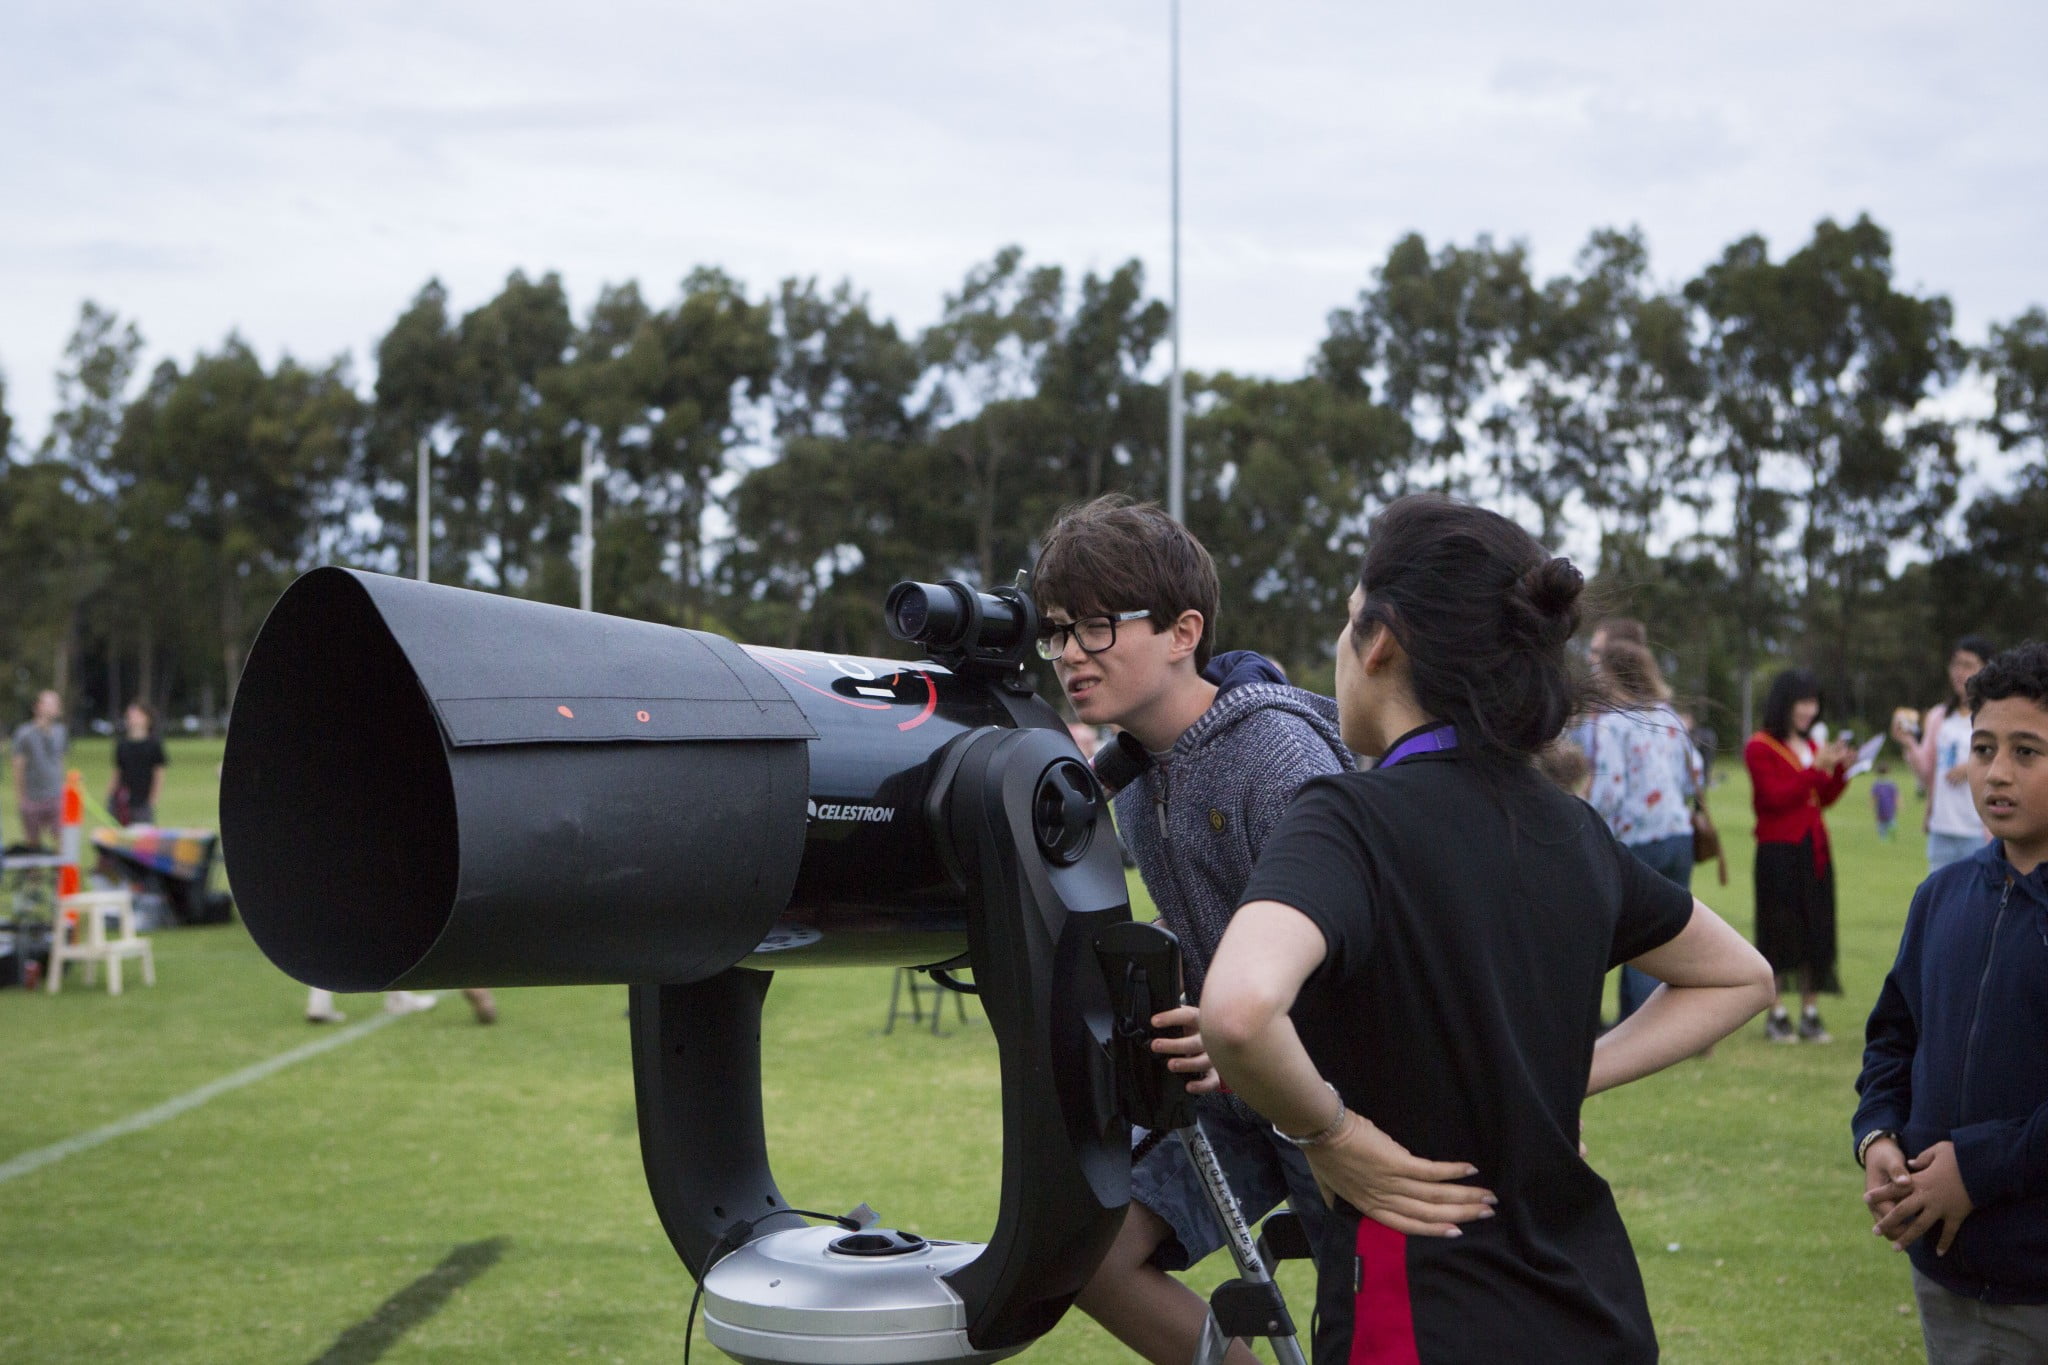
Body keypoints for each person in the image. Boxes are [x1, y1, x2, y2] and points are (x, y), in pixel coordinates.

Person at [1198, 494, 1774, 1364]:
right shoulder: (1569, 826)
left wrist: (1330, 1134)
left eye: (1348, 621)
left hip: (1424, 1310)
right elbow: (1742, 976)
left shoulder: (1348, 818)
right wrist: (1559, 1077)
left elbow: (1238, 1008)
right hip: (1596, 1310)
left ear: (1381, 640)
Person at [1030, 494, 1358, 1365]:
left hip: (1342, 1093)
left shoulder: (1277, 757)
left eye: (1097, 626)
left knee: (1356, 1337)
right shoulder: (1134, 782)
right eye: (1058, 630)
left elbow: (1369, 948)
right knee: (1095, 1257)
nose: (1069, 652)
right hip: (1238, 1091)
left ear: (1183, 631)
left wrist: (1247, 1024)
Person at [1853, 641, 2048, 1361]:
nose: (1994, 772)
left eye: (2027, 751)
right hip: (1945, 1273)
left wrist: (1977, 1167)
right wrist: (1877, 1134)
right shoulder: (1940, 896)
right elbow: (1892, 1039)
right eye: (1985, 747)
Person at [1583, 640, 1705, 1022]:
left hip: (1636, 839)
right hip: (1678, 836)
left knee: (1636, 939)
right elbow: (1694, 776)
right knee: (1669, 932)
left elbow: (1611, 790)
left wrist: (1586, 815)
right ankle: (1674, 1020)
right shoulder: (1668, 716)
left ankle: (1641, 1027)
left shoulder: (1613, 724)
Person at [1746, 669, 1855, 1044]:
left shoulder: (1811, 747)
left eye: (1814, 703)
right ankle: (1776, 1013)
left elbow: (1820, 797)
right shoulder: (1760, 746)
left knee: (1817, 928)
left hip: (1814, 850)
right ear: (1785, 704)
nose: (1810, 711)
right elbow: (1774, 799)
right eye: (1803, 702)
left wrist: (1841, 770)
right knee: (1779, 929)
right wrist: (1815, 770)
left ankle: (1809, 1011)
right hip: (1778, 852)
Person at [1891, 636, 1996, 872]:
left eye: (1968, 665)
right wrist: (1909, 744)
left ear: (1986, 669)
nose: (1959, 672)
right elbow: (1926, 773)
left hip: (1978, 832)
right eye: (1956, 664)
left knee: (1978, 905)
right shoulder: (1939, 717)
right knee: (1941, 905)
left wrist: (1971, 768)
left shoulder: (1993, 716)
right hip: (1942, 829)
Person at [11, 689, 68, 850]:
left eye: (57, 703)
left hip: (56, 797)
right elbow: (18, 767)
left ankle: (61, 874)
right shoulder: (24, 734)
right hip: (33, 798)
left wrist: (63, 786)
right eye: (50, 702)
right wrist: (22, 799)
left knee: (61, 838)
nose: (56, 706)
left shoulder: (61, 732)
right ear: (38, 707)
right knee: (32, 842)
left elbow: (61, 761)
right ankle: (33, 874)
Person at [111, 701, 167, 825]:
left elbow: (159, 773)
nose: (133, 718)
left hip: (143, 800)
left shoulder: (154, 745)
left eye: (137, 715)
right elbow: (117, 772)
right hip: (124, 799)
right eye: (130, 715)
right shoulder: (122, 745)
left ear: (147, 719)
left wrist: (153, 799)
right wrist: (111, 795)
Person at [1872, 764, 1900, 841]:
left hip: (1880, 808)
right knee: (1891, 821)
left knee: (1881, 824)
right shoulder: (1891, 783)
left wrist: (1872, 805)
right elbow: (1895, 796)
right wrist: (1898, 805)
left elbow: (1874, 797)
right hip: (1890, 807)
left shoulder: (1876, 784)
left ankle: (1883, 839)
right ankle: (1892, 836)